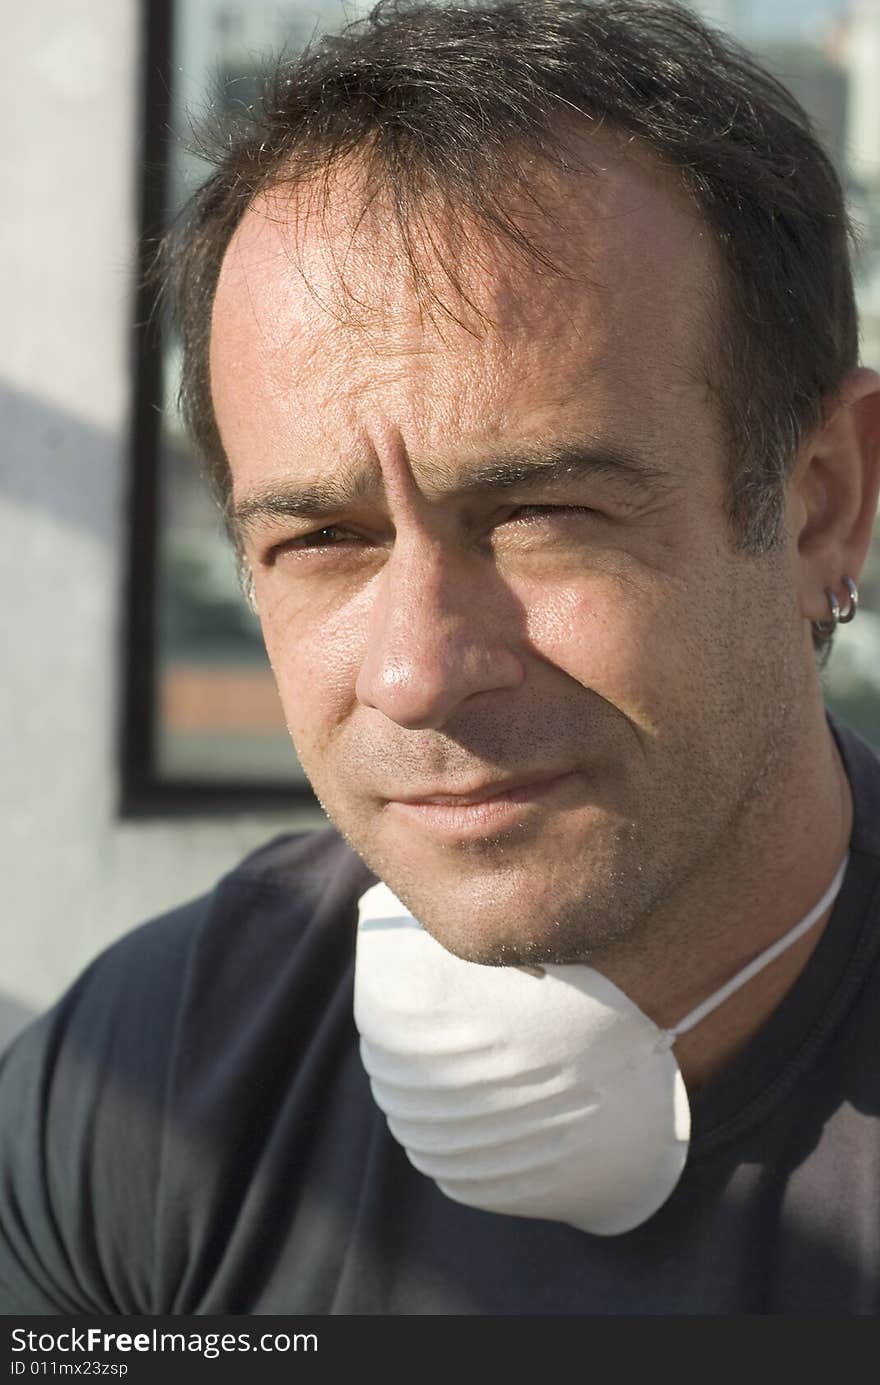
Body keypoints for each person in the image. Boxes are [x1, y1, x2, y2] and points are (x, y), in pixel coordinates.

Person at [2, 0, 880, 1316]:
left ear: (821, 503)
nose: (416, 673)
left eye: (542, 515)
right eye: (323, 540)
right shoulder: (150, 1075)